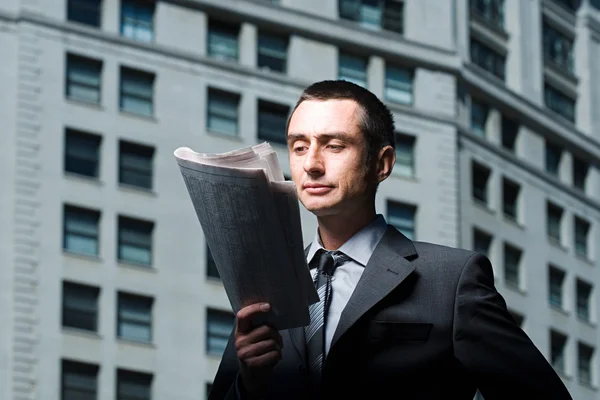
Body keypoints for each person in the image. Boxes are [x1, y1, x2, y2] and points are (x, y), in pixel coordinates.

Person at [208, 80, 572, 399]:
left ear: (382, 163)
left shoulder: (452, 280)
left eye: (334, 145)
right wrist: (248, 386)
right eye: (299, 146)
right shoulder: (264, 285)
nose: (311, 164)